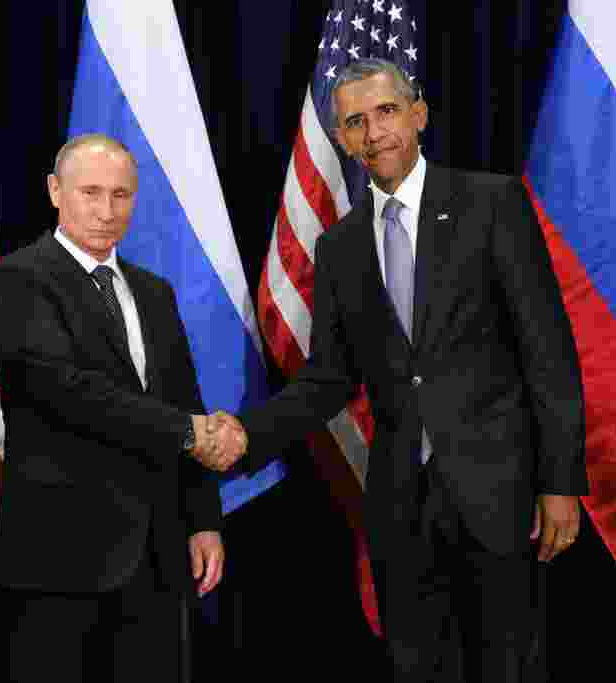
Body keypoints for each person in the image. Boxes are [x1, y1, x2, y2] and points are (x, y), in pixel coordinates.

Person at [208, 58, 587, 682]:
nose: (375, 131)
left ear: (419, 115)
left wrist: (560, 481)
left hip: (498, 492)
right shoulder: (339, 247)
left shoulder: (492, 203)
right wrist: (250, 436)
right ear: (343, 139)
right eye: (356, 122)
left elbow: (546, 349)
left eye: (386, 112)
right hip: (400, 503)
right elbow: (328, 377)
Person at [0, 133, 244, 682]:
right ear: (56, 191)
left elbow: (185, 402)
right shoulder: (18, 280)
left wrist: (202, 521)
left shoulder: (154, 292)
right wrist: (189, 430)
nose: (106, 211)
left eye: (121, 195)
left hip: (158, 554)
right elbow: (67, 392)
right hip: (60, 558)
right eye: (90, 192)